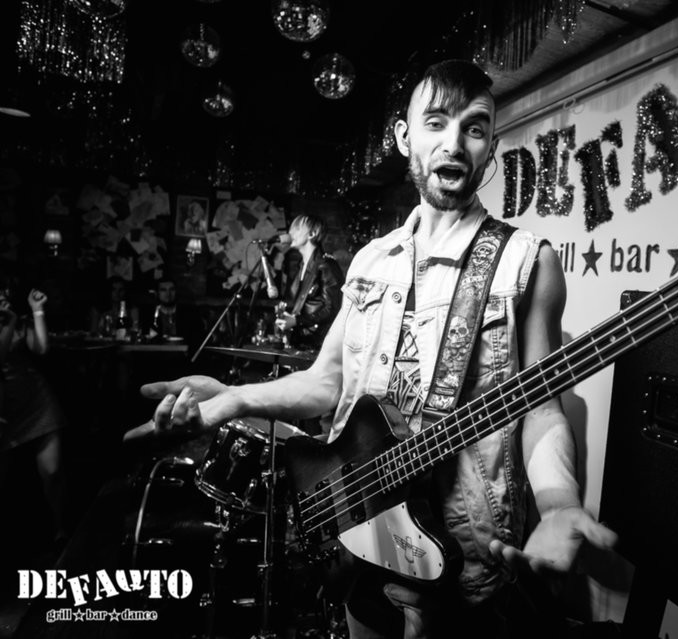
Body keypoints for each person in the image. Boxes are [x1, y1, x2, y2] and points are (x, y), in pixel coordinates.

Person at [130, 59, 616, 638]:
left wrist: (559, 504)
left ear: (490, 144)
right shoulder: (370, 261)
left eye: (475, 126)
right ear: (404, 137)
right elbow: (326, 382)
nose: (454, 142)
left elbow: (539, 407)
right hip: (363, 536)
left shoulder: (526, 262)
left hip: (466, 559)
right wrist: (234, 396)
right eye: (436, 122)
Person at [0, 283, 68, 547]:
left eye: (5, 294)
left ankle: (61, 530)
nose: (3, 299)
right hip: (4, 408)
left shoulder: (19, 322)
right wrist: (9, 323)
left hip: (36, 402)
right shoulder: (10, 323)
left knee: (52, 471)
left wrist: (37, 311)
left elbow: (41, 348)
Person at [273, 214, 345, 350]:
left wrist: (297, 321)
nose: (291, 233)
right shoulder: (301, 266)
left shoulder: (327, 266)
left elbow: (332, 309)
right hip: (301, 341)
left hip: (319, 344)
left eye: (297, 229)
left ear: (312, 233)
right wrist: (289, 318)